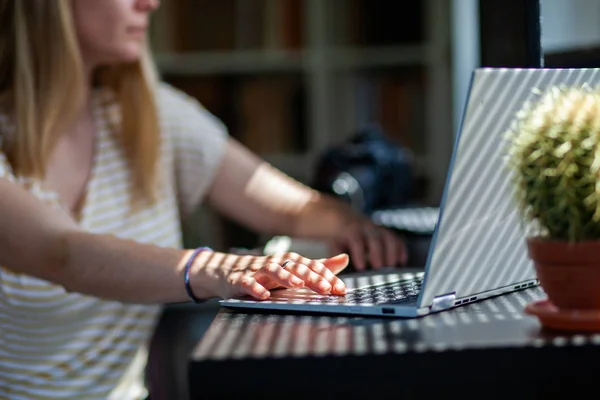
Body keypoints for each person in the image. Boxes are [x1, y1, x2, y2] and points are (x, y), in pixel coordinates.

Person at [0, 0, 408, 399]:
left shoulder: (152, 116)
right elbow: (64, 253)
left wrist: (351, 227)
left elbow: (291, 207)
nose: (150, 4)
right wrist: (221, 269)